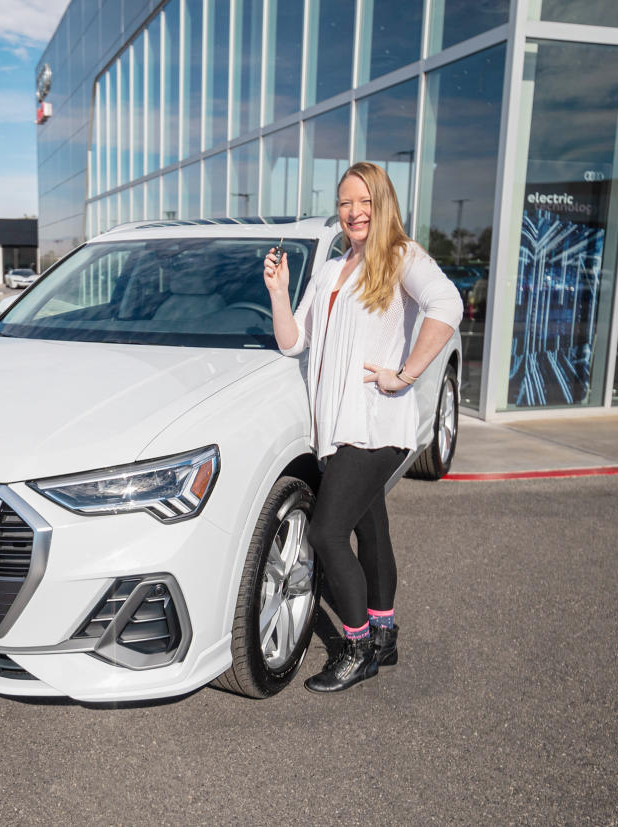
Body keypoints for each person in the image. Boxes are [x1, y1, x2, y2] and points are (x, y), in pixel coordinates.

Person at [263, 161, 462, 694]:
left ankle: (355, 648)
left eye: (363, 203)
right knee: (371, 531)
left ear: (382, 205)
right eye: (346, 203)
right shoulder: (331, 269)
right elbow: (293, 342)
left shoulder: (399, 256)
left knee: (327, 534)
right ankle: (384, 632)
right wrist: (280, 293)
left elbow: (449, 304)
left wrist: (407, 373)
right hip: (337, 427)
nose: (353, 212)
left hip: (374, 426)